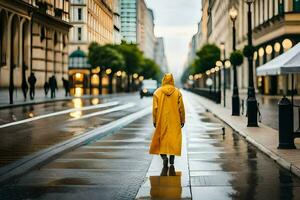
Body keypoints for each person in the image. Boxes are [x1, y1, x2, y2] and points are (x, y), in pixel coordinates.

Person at [149, 73, 185, 171]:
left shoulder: (157, 92)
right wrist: (182, 120)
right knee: (173, 139)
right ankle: (172, 159)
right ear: (172, 80)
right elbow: (181, 108)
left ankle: (164, 157)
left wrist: (155, 120)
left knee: (161, 141)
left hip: (161, 121)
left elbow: (155, 109)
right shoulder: (177, 92)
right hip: (175, 120)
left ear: (163, 80)